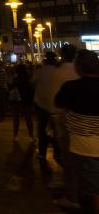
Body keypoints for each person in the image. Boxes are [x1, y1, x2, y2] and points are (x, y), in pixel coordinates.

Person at [54, 49, 99, 212]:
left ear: (79, 67)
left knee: (90, 187)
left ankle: (77, 200)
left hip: (82, 144)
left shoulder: (71, 87)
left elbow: (58, 103)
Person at [50, 44, 82, 207]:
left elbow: (55, 101)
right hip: (86, 121)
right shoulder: (79, 72)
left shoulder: (58, 72)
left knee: (69, 159)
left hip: (65, 118)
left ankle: (72, 196)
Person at [33, 51, 59, 159]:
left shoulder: (40, 71)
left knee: (42, 129)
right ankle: (57, 153)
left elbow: (32, 82)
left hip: (41, 103)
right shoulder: (57, 71)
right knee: (56, 130)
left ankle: (42, 152)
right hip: (55, 104)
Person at [9, 63, 35, 142]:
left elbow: (11, 88)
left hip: (17, 100)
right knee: (28, 119)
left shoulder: (15, 79)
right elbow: (32, 90)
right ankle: (31, 136)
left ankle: (15, 136)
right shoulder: (28, 79)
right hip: (27, 100)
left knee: (16, 119)